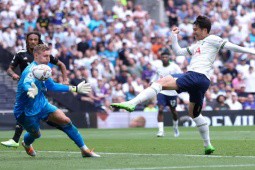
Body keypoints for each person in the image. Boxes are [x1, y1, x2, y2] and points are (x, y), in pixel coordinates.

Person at [111, 15, 255, 155]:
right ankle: (207, 145)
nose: (194, 32)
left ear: (205, 30)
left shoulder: (212, 39)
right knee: (194, 113)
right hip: (202, 81)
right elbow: (178, 52)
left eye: (196, 29)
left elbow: (231, 47)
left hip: (195, 75)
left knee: (160, 82)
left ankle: (132, 102)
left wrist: (251, 51)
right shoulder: (198, 45)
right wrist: (174, 37)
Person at [14, 44, 100, 157]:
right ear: (36, 55)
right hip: (26, 112)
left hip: (42, 104)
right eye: (45, 56)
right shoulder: (30, 70)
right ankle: (26, 143)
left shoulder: (44, 70)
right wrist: (30, 89)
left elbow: (52, 86)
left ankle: (84, 150)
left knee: (66, 120)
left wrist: (75, 88)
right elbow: (26, 83)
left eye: (49, 56)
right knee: (36, 134)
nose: (48, 59)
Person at [1, 31, 68, 148]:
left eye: (35, 39)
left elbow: (62, 64)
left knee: (30, 111)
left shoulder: (43, 55)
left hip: (40, 88)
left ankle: (20, 140)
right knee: (24, 110)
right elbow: (9, 69)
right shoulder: (21, 54)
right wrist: (13, 75)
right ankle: (20, 140)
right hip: (26, 86)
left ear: (38, 41)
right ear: (27, 40)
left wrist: (65, 79)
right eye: (30, 39)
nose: (32, 41)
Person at [150, 48, 182, 137]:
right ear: (161, 58)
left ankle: (175, 127)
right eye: (163, 57)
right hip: (162, 91)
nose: (164, 58)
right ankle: (161, 131)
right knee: (160, 109)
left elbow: (181, 76)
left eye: (166, 57)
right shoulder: (159, 68)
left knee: (173, 111)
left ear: (169, 58)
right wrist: (152, 83)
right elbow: (155, 78)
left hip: (172, 92)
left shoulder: (174, 67)